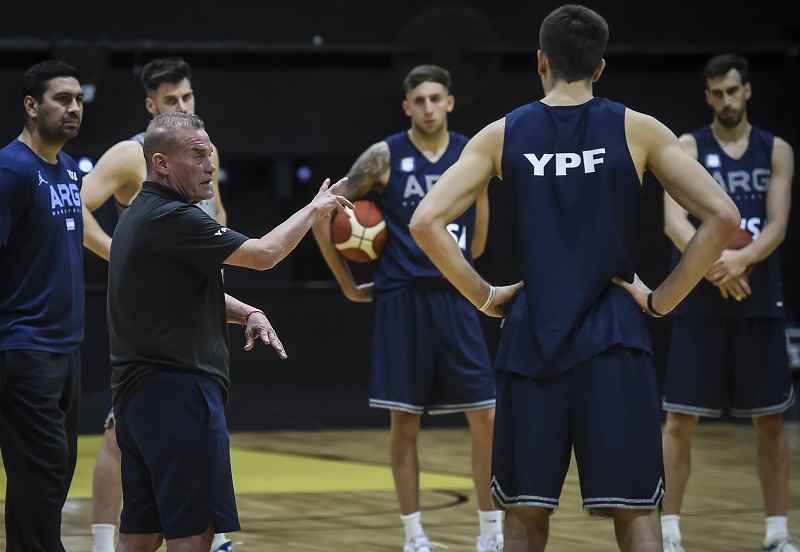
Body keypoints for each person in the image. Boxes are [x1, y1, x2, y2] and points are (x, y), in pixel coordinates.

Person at [410, 5, 742, 552]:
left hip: (531, 338)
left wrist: (485, 296)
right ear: (599, 66)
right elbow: (724, 217)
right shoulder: (638, 129)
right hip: (615, 339)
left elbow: (425, 222)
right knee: (636, 509)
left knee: (523, 512)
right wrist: (661, 300)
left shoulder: (501, 134)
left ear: (541, 61)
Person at [107, 111, 351, 551]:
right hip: (180, 394)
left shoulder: (138, 214)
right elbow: (264, 254)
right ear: (161, 163)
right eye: (198, 156)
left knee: (140, 535)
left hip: (138, 401)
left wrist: (246, 312)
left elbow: (179, 294)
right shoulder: (172, 217)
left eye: (211, 155)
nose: (210, 166)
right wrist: (314, 209)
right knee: (193, 534)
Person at [311, 64, 504, 552]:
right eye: (419, 100)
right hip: (402, 300)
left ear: (450, 102)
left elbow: (480, 233)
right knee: (405, 421)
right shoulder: (384, 156)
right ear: (406, 107)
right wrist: (348, 285)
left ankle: (491, 532)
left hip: (456, 296)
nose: (428, 108)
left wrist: (466, 270)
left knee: (486, 417)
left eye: (436, 98)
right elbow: (321, 214)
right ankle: (414, 535)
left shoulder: (472, 151)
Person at [81, 57, 232, 552]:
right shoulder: (133, 153)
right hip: (154, 329)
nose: (182, 105)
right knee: (118, 434)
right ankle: (104, 540)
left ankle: (188, 532)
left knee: (187, 430)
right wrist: (121, 254)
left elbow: (218, 223)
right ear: (151, 106)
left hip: (195, 320)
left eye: (187, 96)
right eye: (171, 100)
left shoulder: (202, 154)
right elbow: (77, 205)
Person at [660, 54, 797, 552]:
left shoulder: (776, 149)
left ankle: (777, 535)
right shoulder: (688, 146)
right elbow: (673, 222)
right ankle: (668, 535)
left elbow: (778, 223)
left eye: (733, 91)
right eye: (717, 93)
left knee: (770, 422)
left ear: (747, 91)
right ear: (707, 97)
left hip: (758, 299)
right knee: (679, 422)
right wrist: (715, 264)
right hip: (701, 298)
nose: (726, 100)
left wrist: (742, 260)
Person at [0, 60, 85, 551]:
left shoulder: (70, 169)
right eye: (62, 99)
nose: (74, 108)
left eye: (78, 100)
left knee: (51, 471)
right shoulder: (10, 171)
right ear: (31, 106)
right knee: (44, 471)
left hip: (66, 348)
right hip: (24, 347)